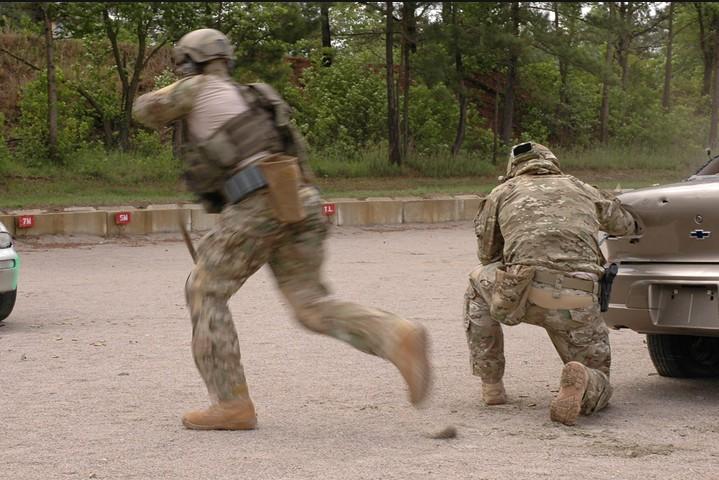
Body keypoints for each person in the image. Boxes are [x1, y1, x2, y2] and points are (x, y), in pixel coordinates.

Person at [133, 28, 431, 430]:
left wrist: (175, 86)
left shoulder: (195, 88)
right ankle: (396, 334)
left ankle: (231, 404)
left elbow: (145, 110)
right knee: (309, 306)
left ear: (189, 62)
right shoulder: (254, 96)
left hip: (259, 200)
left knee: (204, 289)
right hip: (299, 198)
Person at [463, 141, 642, 426]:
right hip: (578, 299)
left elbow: (487, 255)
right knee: (601, 379)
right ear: (552, 163)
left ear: (513, 168)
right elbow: (626, 225)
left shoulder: (501, 193)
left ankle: (491, 383)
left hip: (523, 294)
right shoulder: (583, 188)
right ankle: (584, 381)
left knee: (476, 283)